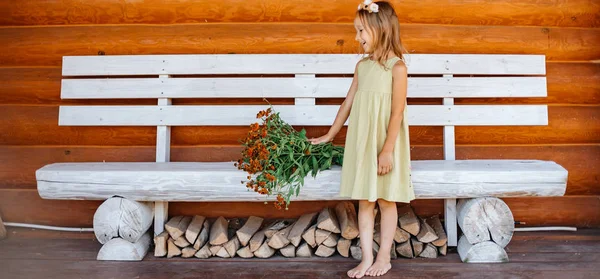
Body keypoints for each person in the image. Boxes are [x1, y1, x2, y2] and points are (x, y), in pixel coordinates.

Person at [308, 1, 415, 277]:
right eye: (356, 31)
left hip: (385, 145)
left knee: (385, 200)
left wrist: (388, 150)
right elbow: (347, 103)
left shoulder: (397, 67)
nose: (357, 38)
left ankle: (384, 257)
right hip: (365, 144)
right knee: (365, 201)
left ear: (379, 29)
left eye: (360, 31)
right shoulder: (362, 66)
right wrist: (330, 135)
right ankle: (366, 257)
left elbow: (397, 113)